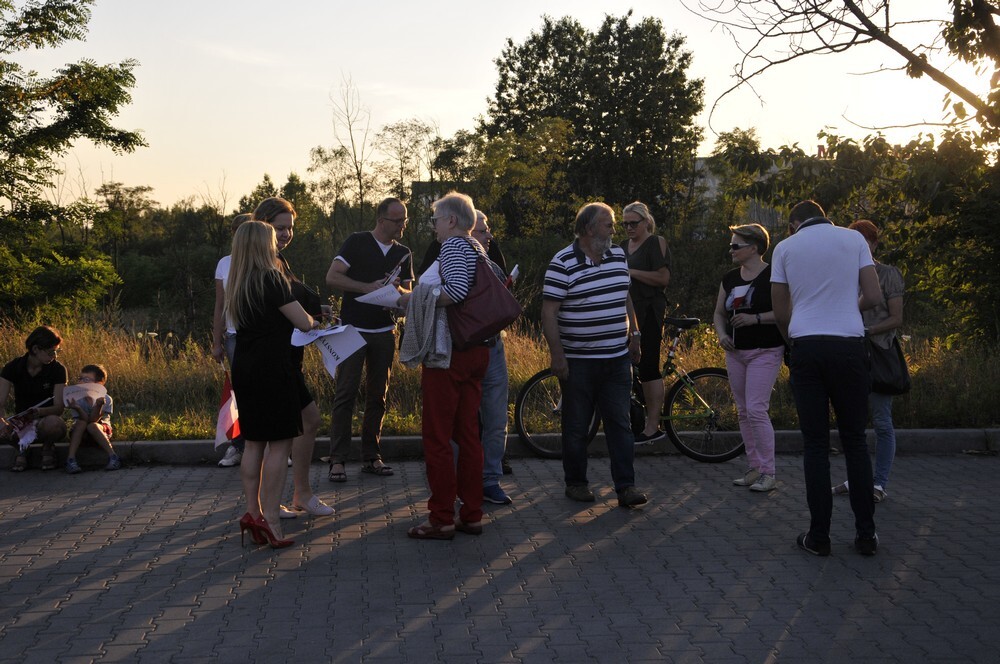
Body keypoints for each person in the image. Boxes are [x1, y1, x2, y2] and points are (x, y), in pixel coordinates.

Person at [771, 200, 883, 557]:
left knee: (816, 445)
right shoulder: (855, 240)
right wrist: (847, 307)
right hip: (849, 346)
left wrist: (793, 340)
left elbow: (779, 311)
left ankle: (819, 537)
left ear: (794, 224)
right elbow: (874, 295)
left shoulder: (785, 247)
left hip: (807, 346)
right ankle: (866, 535)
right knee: (855, 441)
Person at [397, 192, 493, 539]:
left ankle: (441, 518)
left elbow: (455, 291)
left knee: (437, 437)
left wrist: (411, 299)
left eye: (435, 220)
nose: (434, 227)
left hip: (447, 353)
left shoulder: (453, 246)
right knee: (468, 436)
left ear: (451, 221)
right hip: (476, 349)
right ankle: (472, 514)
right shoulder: (478, 247)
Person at [541, 202, 648, 508]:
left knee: (620, 424)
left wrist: (635, 334)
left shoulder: (618, 256)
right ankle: (576, 483)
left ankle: (626, 487)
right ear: (589, 229)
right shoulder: (562, 262)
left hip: (616, 359)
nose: (615, 230)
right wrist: (557, 355)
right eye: (609, 224)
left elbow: (625, 296)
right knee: (576, 427)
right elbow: (549, 313)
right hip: (578, 362)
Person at [226, 220, 318, 548]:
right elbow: (302, 322)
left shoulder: (237, 281)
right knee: (279, 444)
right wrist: (315, 321)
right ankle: (272, 521)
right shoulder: (272, 278)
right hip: (273, 368)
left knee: (253, 443)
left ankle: (253, 513)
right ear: (263, 245)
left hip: (245, 367)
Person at [419, 210, 513, 505]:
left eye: (486, 230)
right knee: (462, 427)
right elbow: (431, 286)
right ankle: (462, 491)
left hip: (488, 346)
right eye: (482, 231)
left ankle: (487, 482)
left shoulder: (483, 253)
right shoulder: (445, 248)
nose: (488, 236)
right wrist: (414, 298)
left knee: (492, 419)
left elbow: (493, 289)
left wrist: (413, 300)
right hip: (456, 347)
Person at [253, 197, 334, 518]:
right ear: (263, 226)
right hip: (275, 359)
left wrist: (319, 311)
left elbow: (290, 302)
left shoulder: (280, 260)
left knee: (308, 420)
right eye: (280, 228)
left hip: (290, 356)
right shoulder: (262, 265)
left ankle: (299, 495)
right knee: (279, 435)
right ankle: (270, 507)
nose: (286, 234)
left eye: (290, 228)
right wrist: (310, 321)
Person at [325, 197, 412, 483]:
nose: (402, 226)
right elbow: (332, 277)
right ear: (381, 220)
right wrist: (367, 288)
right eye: (397, 221)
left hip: (385, 331)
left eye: (405, 220)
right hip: (352, 330)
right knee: (345, 394)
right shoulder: (357, 242)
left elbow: (407, 293)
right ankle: (337, 460)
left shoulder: (404, 253)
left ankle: (372, 456)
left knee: (378, 396)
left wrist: (398, 295)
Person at [832, 219, 904, 504]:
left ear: (874, 243)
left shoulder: (888, 274)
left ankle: (879, 483)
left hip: (878, 353)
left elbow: (896, 318)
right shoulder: (842, 275)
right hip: (848, 353)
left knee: (882, 421)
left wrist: (867, 331)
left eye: (864, 241)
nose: (859, 247)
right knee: (853, 422)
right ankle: (857, 478)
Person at [713, 224, 785, 492]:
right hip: (735, 352)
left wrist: (756, 318)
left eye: (736, 246)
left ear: (754, 248)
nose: (730, 250)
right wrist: (722, 335)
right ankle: (754, 467)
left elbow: (785, 312)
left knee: (756, 409)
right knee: (743, 411)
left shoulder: (774, 276)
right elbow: (719, 313)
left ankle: (769, 472)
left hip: (765, 350)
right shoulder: (730, 278)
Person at [620, 201, 671, 443]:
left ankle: (653, 426)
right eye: (625, 224)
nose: (629, 228)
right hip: (626, 313)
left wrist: (632, 273)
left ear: (646, 222)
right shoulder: (622, 247)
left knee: (649, 364)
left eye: (634, 223)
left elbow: (663, 278)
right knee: (627, 365)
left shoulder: (655, 242)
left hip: (649, 309)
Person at [212, 213, 252, 468]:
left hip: (260, 336)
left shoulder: (265, 260)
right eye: (239, 230)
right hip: (235, 336)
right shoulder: (224, 263)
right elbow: (220, 305)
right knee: (241, 394)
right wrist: (216, 341)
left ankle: (274, 447)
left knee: (265, 390)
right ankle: (238, 446)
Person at [1, 325, 68, 472]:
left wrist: (38, 412)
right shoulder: (13, 367)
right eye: (51, 352)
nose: (54, 356)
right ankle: (22, 448)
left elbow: (59, 407)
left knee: (55, 424)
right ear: (36, 349)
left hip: (44, 420)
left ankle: (48, 447)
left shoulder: (58, 369)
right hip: (20, 422)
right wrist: (3, 423)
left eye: (57, 351)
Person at [64, 364, 120, 473]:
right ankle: (70, 459)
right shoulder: (76, 399)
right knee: (81, 423)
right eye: (80, 378)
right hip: (81, 433)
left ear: (99, 384)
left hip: (101, 431)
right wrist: (77, 408)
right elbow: (84, 420)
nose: (81, 382)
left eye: (86, 380)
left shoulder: (106, 399)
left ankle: (113, 456)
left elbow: (93, 420)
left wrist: (98, 406)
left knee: (92, 426)